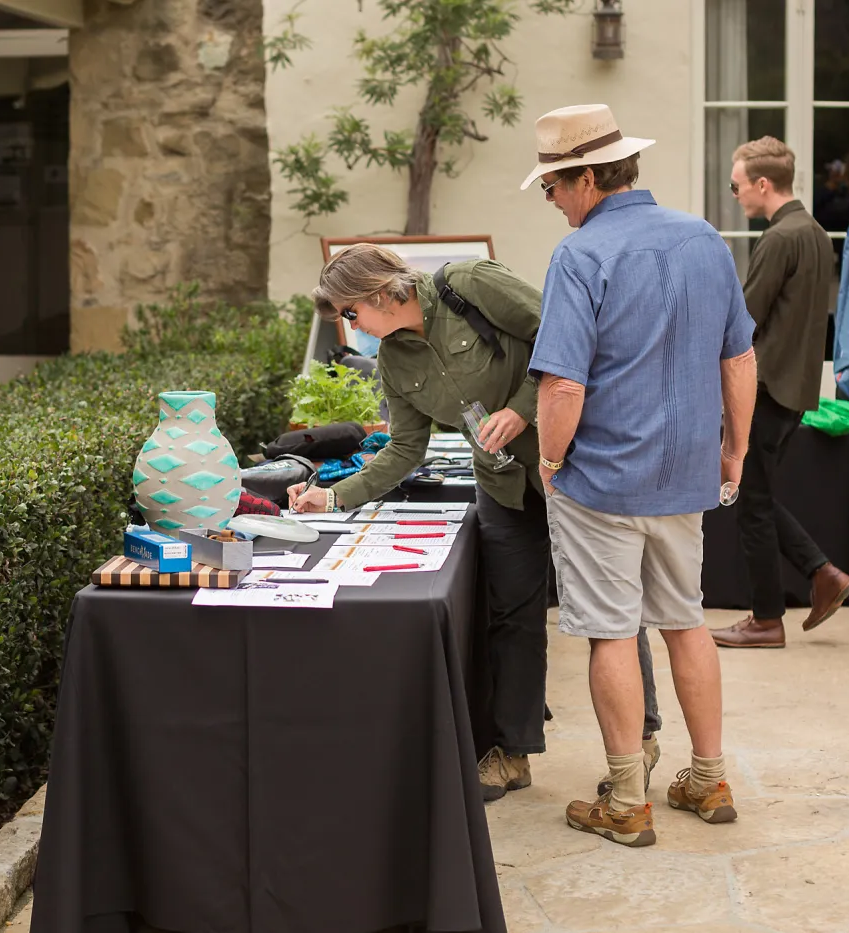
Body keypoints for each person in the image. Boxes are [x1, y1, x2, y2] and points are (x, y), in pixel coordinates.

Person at [521, 104, 758, 848]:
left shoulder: (581, 255)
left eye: (553, 186)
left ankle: (627, 797)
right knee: (685, 620)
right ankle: (708, 776)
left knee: (612, 633)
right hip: (684, 473)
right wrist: (735, 450)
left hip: (602, 479)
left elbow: (562, 387)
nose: (552, 201)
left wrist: (549, 461)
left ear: (588, 177)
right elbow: (739, 358)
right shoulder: (704, 239)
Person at [287, 244, 551, 802]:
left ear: (379, 292)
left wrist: (521, 408)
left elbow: (562, 339)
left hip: (571, 466)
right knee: (511, 617)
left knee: (609, 611)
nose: (351, 329)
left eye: (351, 315)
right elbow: (404, 450)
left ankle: (636, 746)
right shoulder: (393, 360)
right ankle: (512, 752)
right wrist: (331, 498)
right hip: (503, 486)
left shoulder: (469, 283)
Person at [711, 137, 849, 650]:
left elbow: (743, 322)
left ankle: (768, 619)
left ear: (763, 184)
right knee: (757, 497)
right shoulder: (814, 232)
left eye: (736, 185)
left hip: (766, 387)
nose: (735, 195)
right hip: (794, 391)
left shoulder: (778, 239)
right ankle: (822, 577)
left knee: (751, 502)